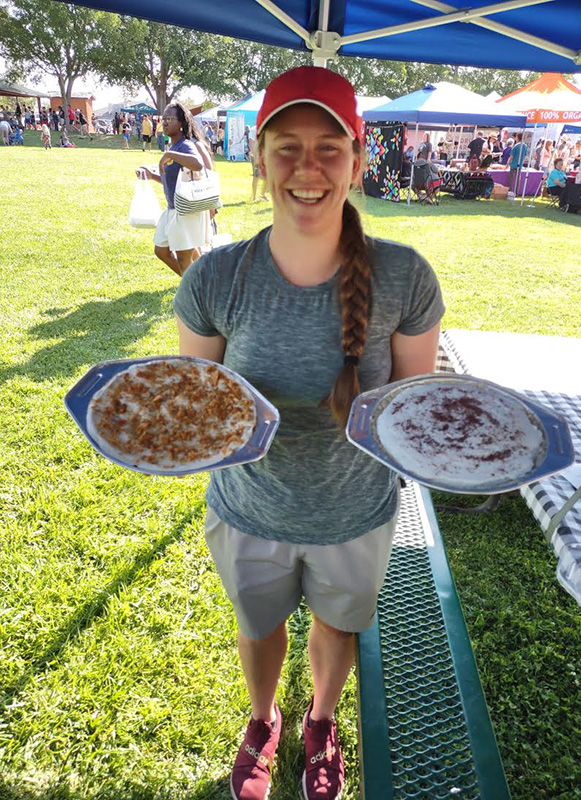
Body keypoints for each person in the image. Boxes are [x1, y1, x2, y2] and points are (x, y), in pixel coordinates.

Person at [172, 66, 444, 800]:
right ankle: (262, 721)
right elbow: (193, 409)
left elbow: (416, 410)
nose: (308, 167)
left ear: (358, 158)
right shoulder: (215, 280)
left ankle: (321, 721)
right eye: (286, 146)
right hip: (248, 510)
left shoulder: (404, 276)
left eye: (330, 146)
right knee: (258, 627)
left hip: (354, 513)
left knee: (337, 626)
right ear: (257, 160)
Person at [138, 102, 209, 276]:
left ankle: (194, 296)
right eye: (164, 119)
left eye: (170, 119)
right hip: (172, 210)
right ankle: (201, 288)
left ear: (182, 123)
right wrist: (151, 175)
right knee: (161, 251)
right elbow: (172, 181)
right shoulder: (175, 146)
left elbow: (198, 164)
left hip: (184, 212)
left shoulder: (185, 145)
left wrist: (170, 155)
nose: (166, 122)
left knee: (184, 258)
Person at [248, 124, 268, 202]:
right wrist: (255, 155)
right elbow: (251, 142)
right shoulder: (253, 130)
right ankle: (254, 197)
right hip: (256, 156)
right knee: (256, 176)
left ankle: (263, 193)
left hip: (265, 156)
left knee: (268, 176)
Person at [507, 132, 527, 197]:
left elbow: (511, 156)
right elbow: (524, 156)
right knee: (518, 179)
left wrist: (507, 163)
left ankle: (509, 190)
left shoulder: (516, 146)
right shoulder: (525, 146)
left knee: (511, 178)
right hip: (520, 164)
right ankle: (516, 192)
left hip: (513, 164)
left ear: (517, 137)